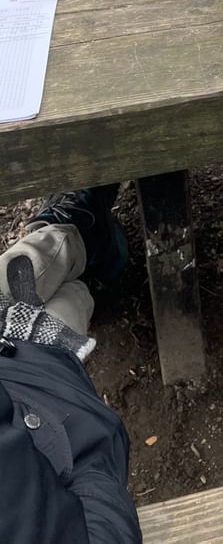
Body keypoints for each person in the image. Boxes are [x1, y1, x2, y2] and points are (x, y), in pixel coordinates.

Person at [0, 186, 142, 543]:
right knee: (60, 289)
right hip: (46, 403)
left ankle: (81, 234)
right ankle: (81, 233)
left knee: (30, 268)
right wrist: (85, 457)